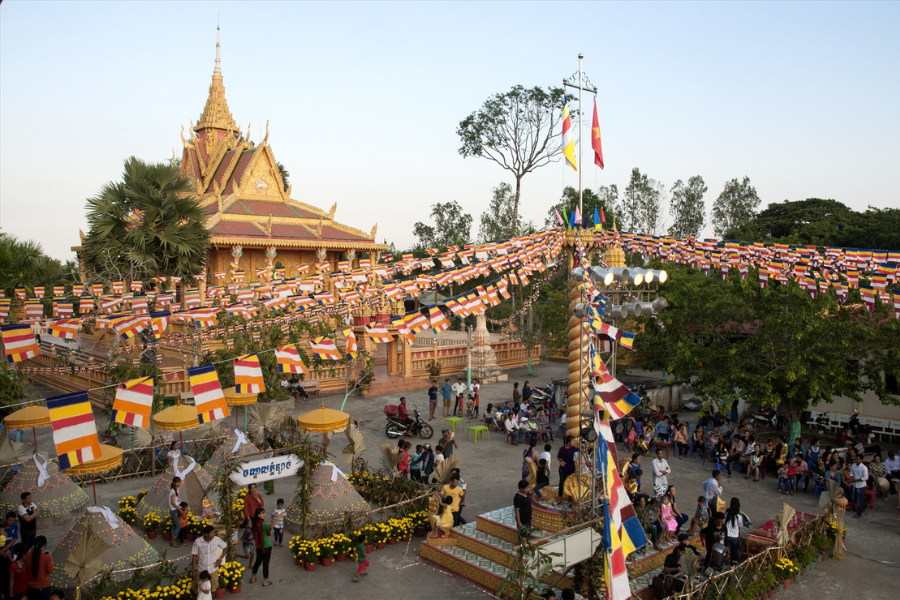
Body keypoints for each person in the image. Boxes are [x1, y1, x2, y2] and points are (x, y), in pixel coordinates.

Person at [192, 526, 227, 595]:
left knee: (213, 588)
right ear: (206, 534)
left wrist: (220, 559)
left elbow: (225, 547)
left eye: (213, 532)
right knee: (198, 588)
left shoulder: (216, 540)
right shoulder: (198, 541)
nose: (213, 534)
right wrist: (193, 571)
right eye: (211, 533)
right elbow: (194, 556)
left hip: (213, 568)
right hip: (201, 568)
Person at [23, 536, 52, 600]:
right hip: (44, 587)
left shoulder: (27, 556)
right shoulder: (47, 557)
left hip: (30, 587)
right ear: (44, 546)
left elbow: (24, 571)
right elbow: (50, 571)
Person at [249, 508, 272, 586]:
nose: (264, 514)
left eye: (264, 513)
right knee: (265, 564)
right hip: (266, 546)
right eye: (262, 513)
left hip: (259, 546)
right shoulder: (263, 524)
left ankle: (253, 577)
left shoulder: (256, 523)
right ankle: (265, 581)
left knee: (258, 561)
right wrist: (277, 519)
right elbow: (270, 527)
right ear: (258, 515)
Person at [723, 498, 748, 564]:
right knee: (735, 551)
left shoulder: (727, 514)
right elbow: (741, 525)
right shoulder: (738, 517)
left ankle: (727, 564)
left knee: (728, 551)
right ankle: (735, 563)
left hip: (727, 536)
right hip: (735, 537)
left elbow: (723, 522)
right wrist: (741, 515)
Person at [1, 511, 19, 598]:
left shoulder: (15, 527)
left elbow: (14, 539)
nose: (11, 522)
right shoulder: (1, 528)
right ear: (6, 519)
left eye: (12, 521)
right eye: (9, 520)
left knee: (8, 576)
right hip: (1, 556)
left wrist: (4, 550)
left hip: (9, 555)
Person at [849, 454, 869, 519]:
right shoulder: (853, 465)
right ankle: (865, 505)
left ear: (861, 460)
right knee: (853, 498)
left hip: (861, 486)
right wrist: (851, 477)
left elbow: (865, 477)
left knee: (859, 500)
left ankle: (858, 514)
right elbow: (852, 472)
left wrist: (856, 479)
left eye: (858, 459)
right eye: (856, 459)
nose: (856, 460)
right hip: (855, 484)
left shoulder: (864, 467)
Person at [168, 478, 183, 548]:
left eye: (179, 482)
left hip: (176, 509)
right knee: (178, 526)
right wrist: (179, 509)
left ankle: (173, 540)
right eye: (177, 482)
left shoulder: (177, 490)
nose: (179, 483)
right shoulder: (172, 491)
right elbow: (172, 502)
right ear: (174, 483)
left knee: (174, 526)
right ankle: (173, 541)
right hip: (174, 510)